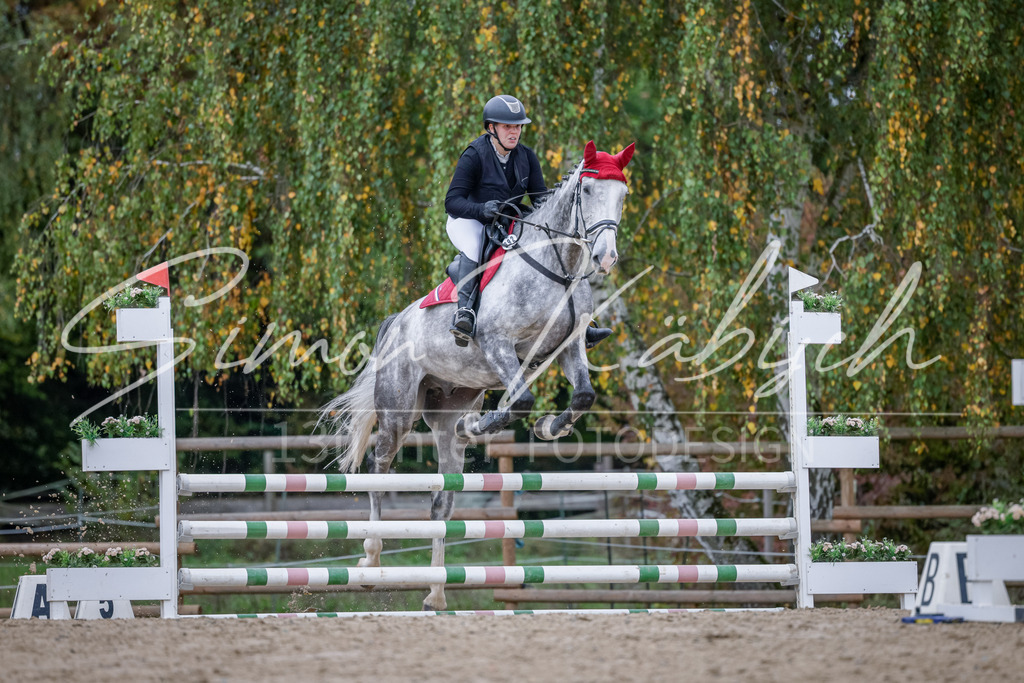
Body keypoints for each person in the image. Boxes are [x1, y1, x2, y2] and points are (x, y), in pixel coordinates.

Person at [443, 94, 611, 348]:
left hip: (506, 221)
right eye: (508, 126)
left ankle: (578, 322)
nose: (514, 132)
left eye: (518, 126)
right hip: (468, 220)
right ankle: (465, 313)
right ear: (492, 128)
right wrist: (480, 210)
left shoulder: (526, 157)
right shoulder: (474, 155)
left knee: (548, 251)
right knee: (476, 247)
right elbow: (452, 201)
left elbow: (540, 200)